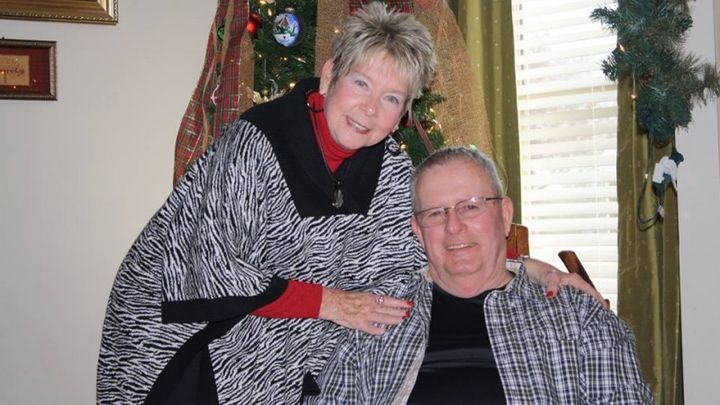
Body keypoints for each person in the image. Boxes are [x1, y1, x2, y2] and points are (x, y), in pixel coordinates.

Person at [97, 3, 602, 404]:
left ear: (403, 114)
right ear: (330, 74)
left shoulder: (391, 168)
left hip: (294, 343)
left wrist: (533, 270)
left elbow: (431, 253)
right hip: (185, 341)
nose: (369, 109)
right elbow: (209, 271)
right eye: (362, 83)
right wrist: (330, 303)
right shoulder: (256, 141)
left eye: (391, 98)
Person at [309, 146, 652, 404]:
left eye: (470, 206)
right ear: (418, 231)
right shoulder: (374, 320)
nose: (453, 226)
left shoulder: (578, 316)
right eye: (435, 213)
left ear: (504, 215)